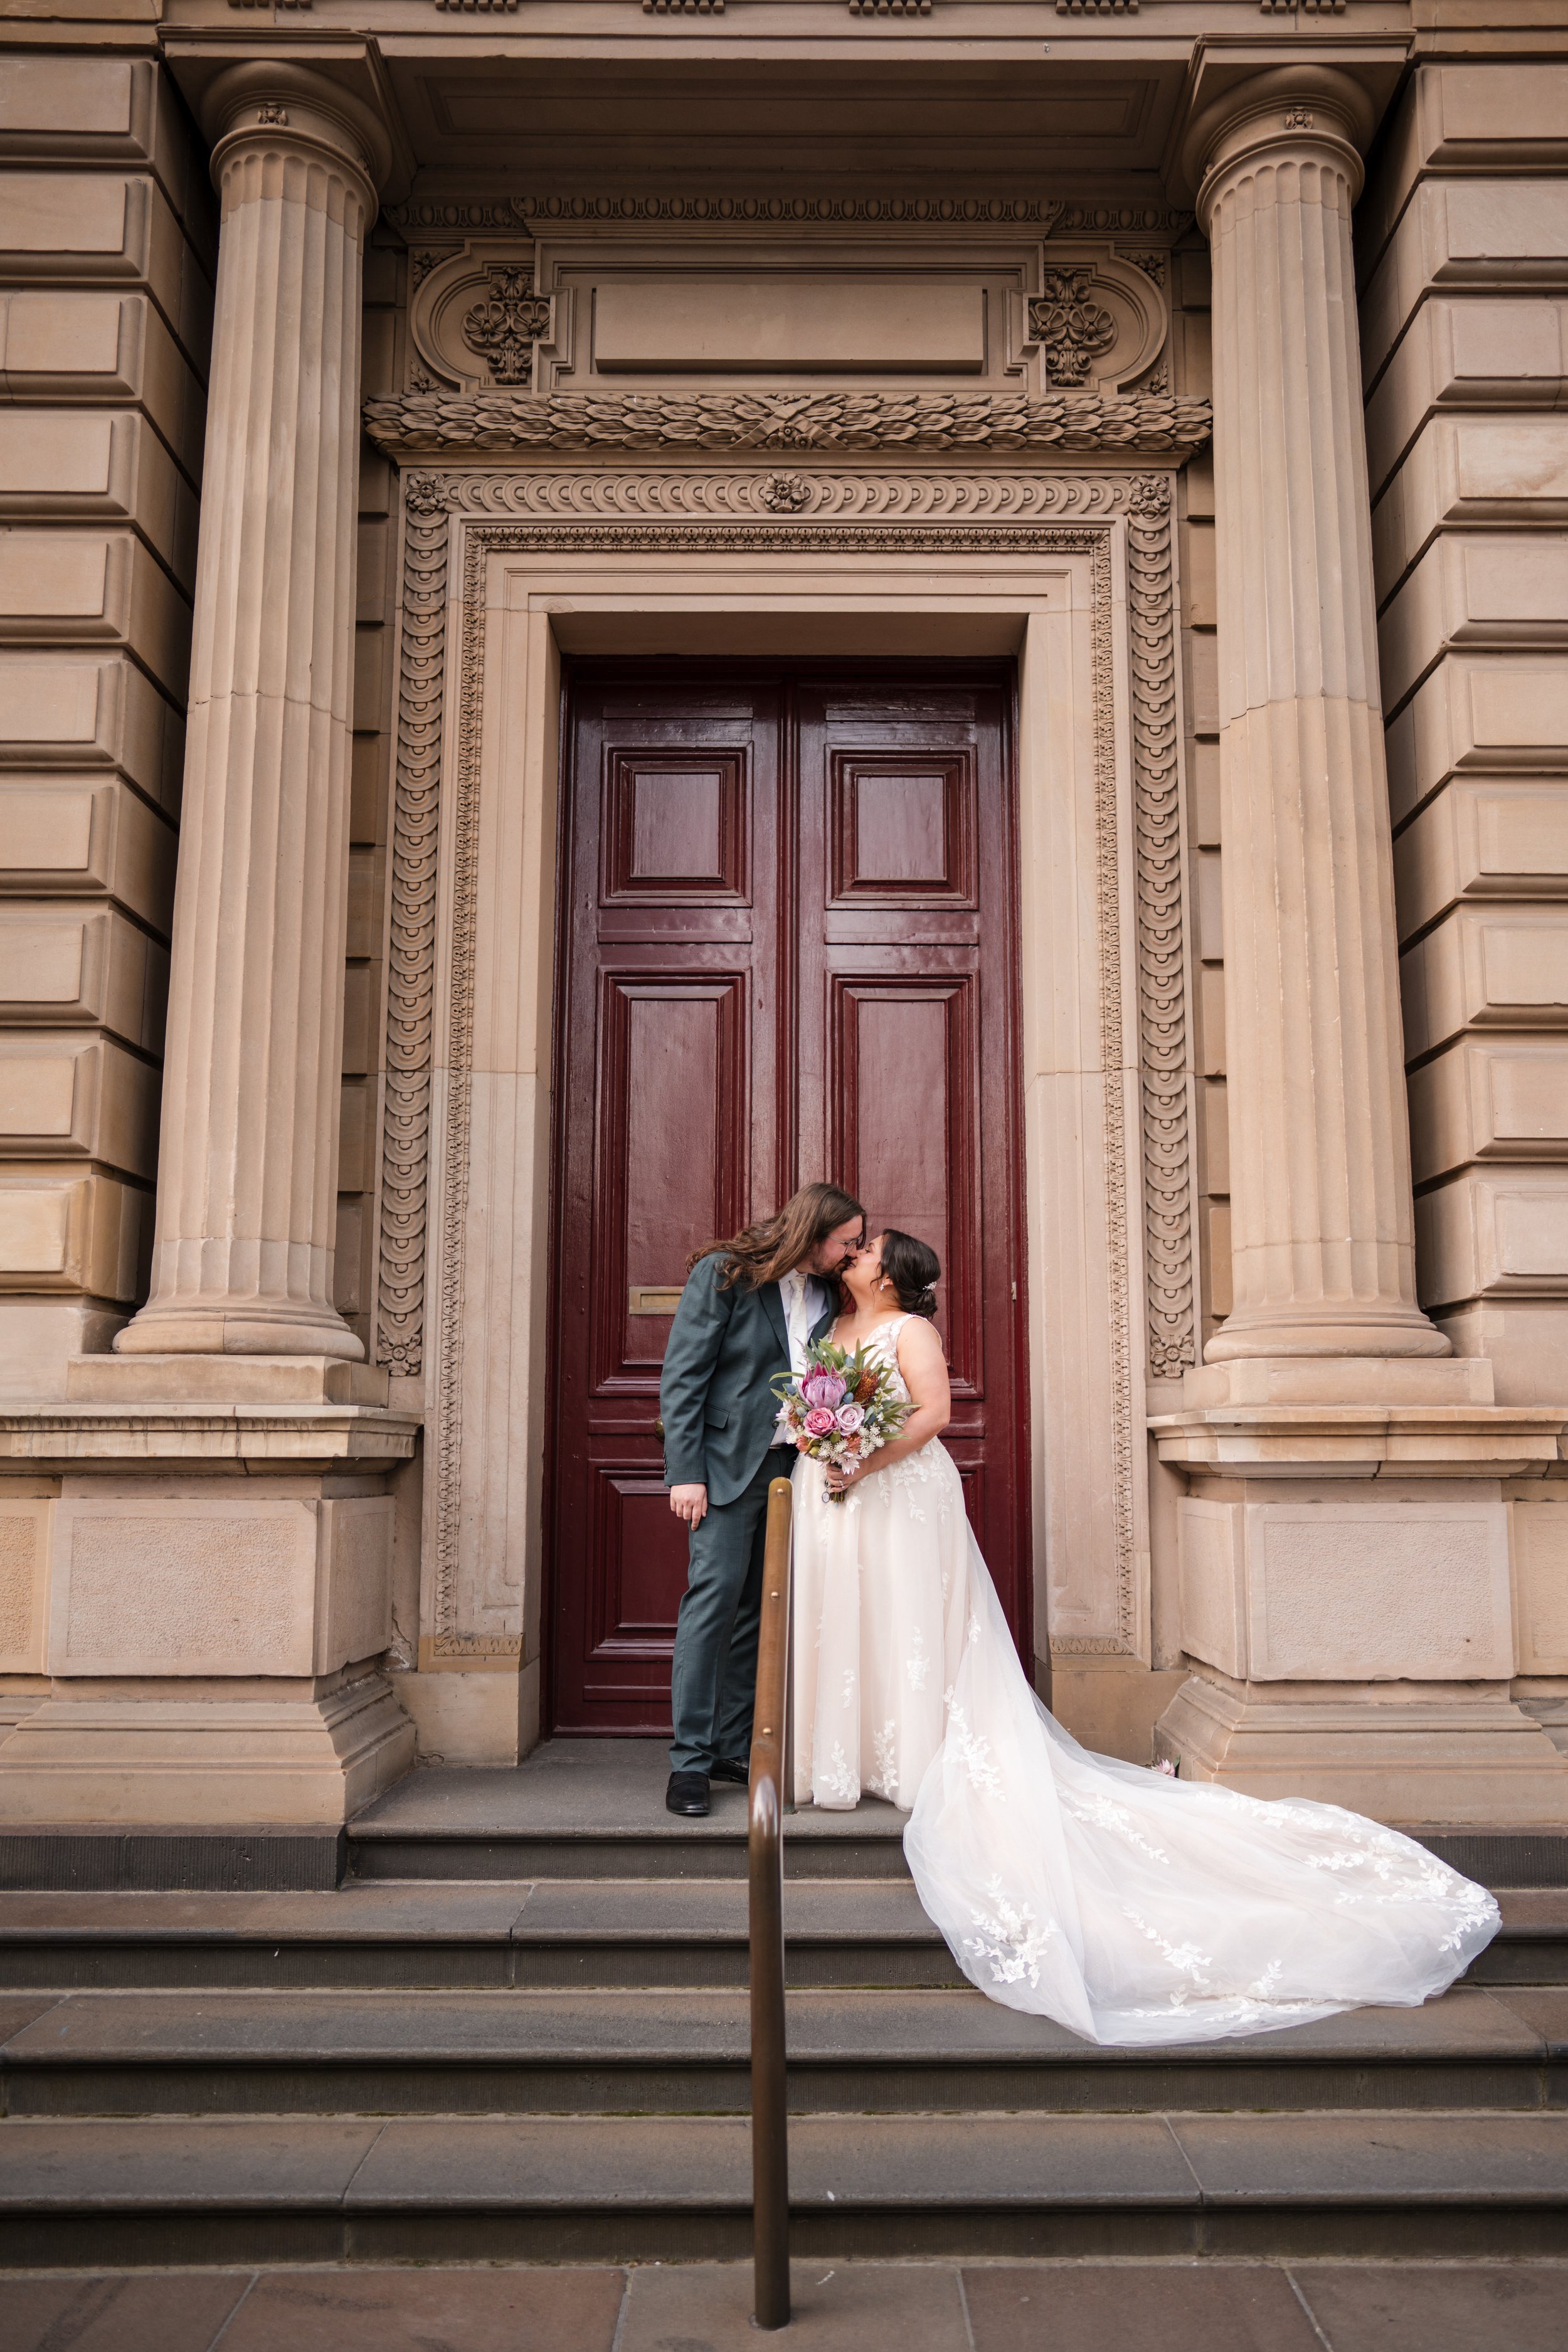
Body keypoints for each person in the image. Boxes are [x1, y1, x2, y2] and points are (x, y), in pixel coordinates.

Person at [791, 1230, 1501, 2047]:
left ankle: (913, 1754)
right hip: (844, 1502)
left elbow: (937, 1412)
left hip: (900, 1494)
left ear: (892, 1271)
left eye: (870, 1246)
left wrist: (864, 1458)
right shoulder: (830, 1331)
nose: (856, 1250)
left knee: (912, 1621)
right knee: (858, 1623)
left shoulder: (910, 1331)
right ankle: (854, 1751)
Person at [660, 1182, 865, 1818]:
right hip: (726, 1467)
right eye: (845, 1242)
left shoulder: (832, 1293)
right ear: (813, 1233)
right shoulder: (724, 1276)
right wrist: (684, 1472)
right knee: (713, 1602)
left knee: (762, 1609)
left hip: (797, 1465)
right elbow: (684, 1375)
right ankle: (688, 1764)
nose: (851, 1254)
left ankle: (730, 1746)